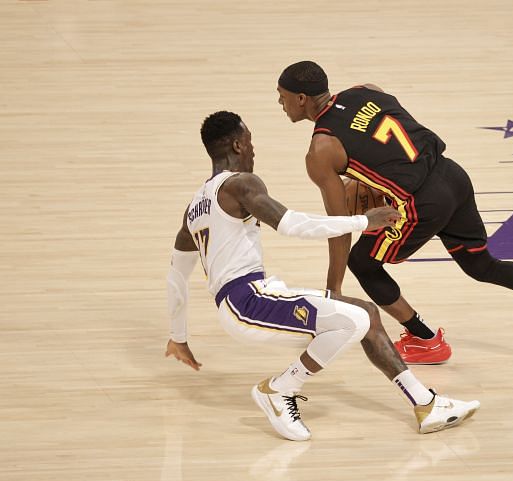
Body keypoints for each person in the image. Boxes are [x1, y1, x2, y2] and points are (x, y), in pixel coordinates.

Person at [164, 110, 480, 441]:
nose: (254, 150)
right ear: (239, 145)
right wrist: (362, 222)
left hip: (243, 302)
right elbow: (291, 224)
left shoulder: (195, 207)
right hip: (249, 302)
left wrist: (179, 336)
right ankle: (280, 388)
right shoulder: (241, 184)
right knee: (355, 321)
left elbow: (177, 276)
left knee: (366, 316)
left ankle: (426, 405)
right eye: (252, 142)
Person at [276, 61, 513, 365]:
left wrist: (332, 291)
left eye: (282, 96)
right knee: (480, 264)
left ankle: (425, 339)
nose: (281, 104)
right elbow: (385, 136)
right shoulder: (365, 91)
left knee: (362, 262)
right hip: (452, 175)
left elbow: (340, 227)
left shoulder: (321, 150)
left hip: (422, 203)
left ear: (302, 98)